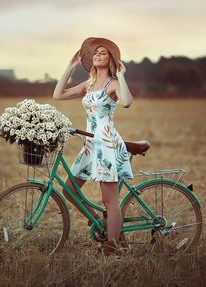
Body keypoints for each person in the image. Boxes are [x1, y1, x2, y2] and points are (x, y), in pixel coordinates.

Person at [53, 37, 134, 254]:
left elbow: (126, 102)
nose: (97, 55)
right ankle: (98, 221)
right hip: (91, 145)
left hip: (107, 144)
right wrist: (69, 68)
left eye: (103, 53)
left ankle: (112, 245)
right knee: (69, 189)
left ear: (111, 60)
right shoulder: (88, 85)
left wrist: (121, 75)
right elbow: (58, 94)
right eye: (95, 52)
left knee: (109, 200)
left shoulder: (113, 84)